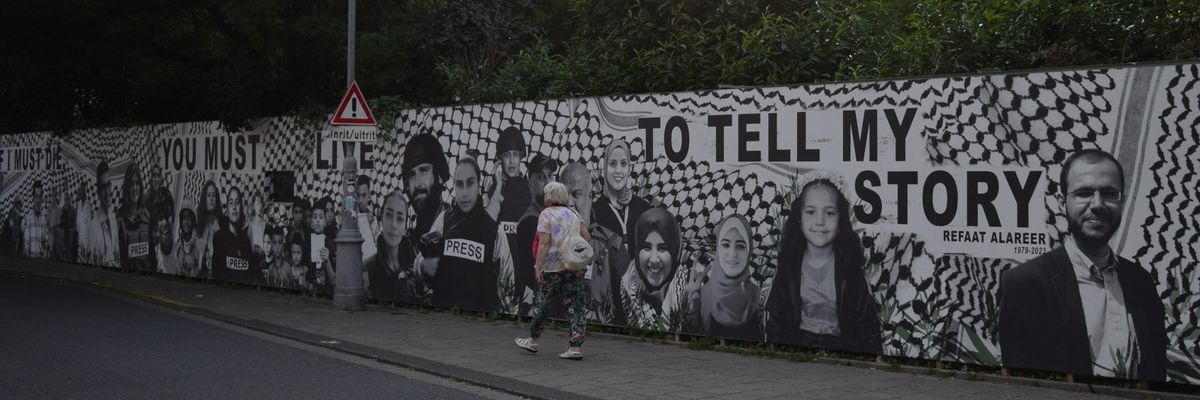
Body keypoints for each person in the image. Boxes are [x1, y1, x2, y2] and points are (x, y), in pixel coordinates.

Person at [999, 149, 1166, 380]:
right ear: (1061, 202)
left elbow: (1156, 370)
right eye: (1084, 193)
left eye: (1109, 193)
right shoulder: (1025, 284)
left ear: (1122, 201)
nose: (1097, 204)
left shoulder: (1141, 282)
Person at [765, 172, 882, 354]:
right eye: (811, 212)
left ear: (841, 219)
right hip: (798, 347)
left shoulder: (850, 269)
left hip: (842, 349)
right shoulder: (789, 267)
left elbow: (867, 327)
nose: (820, 222)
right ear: (799, 218)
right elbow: (777, 322)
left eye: (829, 213)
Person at [420, 156, 516, 313]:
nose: (464, 193)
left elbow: (508, 284)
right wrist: (424, 265)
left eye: (470, 183)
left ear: (478, 184)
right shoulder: (444, 220)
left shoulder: (495, 231)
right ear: (454, 186)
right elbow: (420, 263)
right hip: (444, 320)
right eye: (459, 184)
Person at [514, 182, 593, 360]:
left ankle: (533, 340)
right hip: (573, 267)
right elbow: (587, 236)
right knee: (576, 307)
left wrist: (537, 266)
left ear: (549, 196)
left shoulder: (546, 214)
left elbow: (543, 243)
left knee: (542, 305)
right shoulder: (574, 214)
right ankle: (575, 348)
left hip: (552, 269)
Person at [592, 139, 651, 325]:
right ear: (604, 167)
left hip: (640, 292)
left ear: (630, 168)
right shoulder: (596, 210)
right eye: (612, 164)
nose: (618, 171)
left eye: (623, 164)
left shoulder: (643, 208)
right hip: (609, 293)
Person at [684, 214, 763, 340]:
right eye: (726, 245)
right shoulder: (703, 296)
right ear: (718, 249)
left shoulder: (758, 297)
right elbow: (691, 339)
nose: (732, 254)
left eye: (740, 246)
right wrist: (692, 305)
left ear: (749, 251)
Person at [620, 207, 686, 332]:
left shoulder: (690, 296)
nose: (654, 259)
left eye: (662, 248)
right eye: (646, 247)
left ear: (675, 251)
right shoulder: (626, 288)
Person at [513, 153, 559, 315]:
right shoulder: (530, 222)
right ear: (530, 184)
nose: (547, 182)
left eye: (550, 175)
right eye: (540, 177)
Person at [364, 191, 422, 303]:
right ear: (381, 219)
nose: (393, 225)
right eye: (389, 215)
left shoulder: (417, 270)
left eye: (400, 219)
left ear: (405, 225)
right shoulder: (367, 270)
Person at [403, 133, 451, 240]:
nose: (417, 184)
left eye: (424, 171)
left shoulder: (455, 229)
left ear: (439, 176)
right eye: (412, 175)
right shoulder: (409, 242)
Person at [211, 186, 258, 284]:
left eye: (237, 202)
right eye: (231, 203)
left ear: (241, 208)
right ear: (227, 209)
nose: (234, 207)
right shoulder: (219, 237)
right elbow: (216, 275)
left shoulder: (246, 241)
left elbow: (250, 277)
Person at [118, 164, 156, 272]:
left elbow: (152, 258)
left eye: (137, 183)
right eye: (131, 184)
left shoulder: (147, 216)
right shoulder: (119, 219)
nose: (135, 188)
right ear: (126, 188)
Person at [307, 197, 337, 291]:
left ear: (325, 222)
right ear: (311, 222)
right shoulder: (308, 243)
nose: (318, 220)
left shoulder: (330, 243)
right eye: (315, 217)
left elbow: (334, 281)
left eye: (321, 217)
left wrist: (327, 261)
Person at [195, 180, 222, 277]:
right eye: (209, 195)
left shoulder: (221, 224)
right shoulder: (199, 224)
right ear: (205, 198)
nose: (211, 198)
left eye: (214, 195)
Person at [21, 180, 50, 258]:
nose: (38, 200)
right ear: (33, 198)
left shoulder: (44, 219)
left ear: (41, 199)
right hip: (30, 261)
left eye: (40, 196)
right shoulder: (27, 218)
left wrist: (44, 255)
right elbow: (26, 246)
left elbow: (46, 243)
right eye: (36, 196)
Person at [355, 174, 381, 260]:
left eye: (364, 195)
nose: (360, 200)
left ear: (369, 195)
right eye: (358, 195)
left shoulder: (373, 219)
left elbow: (379, 243)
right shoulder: (352, 217)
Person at [152, 198, 177, 274]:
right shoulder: (152, 256)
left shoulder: (181, 253)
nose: (164, 222)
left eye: (167, 216)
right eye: (160, 218)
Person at [175, 207, 201, 277]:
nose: (186, 222)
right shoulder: (178, 245)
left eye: (189, 218)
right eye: (184, 218)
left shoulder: (199, 245)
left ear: (193, 221)